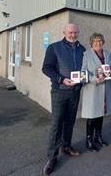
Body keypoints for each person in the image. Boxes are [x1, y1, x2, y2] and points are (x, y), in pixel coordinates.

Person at [42, 23, 86, 176]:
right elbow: (46, 68)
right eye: (70, 32)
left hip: (75, 91)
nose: (73, 35)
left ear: (78, 33)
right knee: (56, 123)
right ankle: (51, 157)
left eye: (75, 32)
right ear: (64, 32)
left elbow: (85, 69)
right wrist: (61, 79)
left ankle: (66, 146)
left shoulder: (82, 49)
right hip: (60, 91)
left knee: (70, 120)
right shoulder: (54, 48)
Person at [80, 33, 111, 152]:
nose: (98, 43)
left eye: (100, 40)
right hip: (93, 88)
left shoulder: (108, 54)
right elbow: (83, 73)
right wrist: (94, 79)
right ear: (91, 42)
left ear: (103, 41)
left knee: (100, 114)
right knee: (92, 116)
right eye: (95, 41)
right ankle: (89, 140)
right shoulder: (86, 55)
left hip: (106, 88)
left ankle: (98, 137)